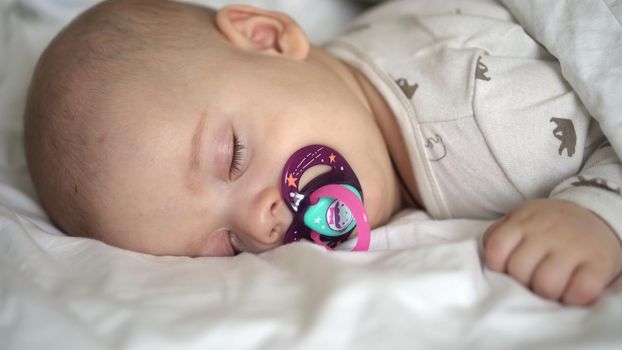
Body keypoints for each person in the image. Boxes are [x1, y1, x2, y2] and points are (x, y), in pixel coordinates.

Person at [23, 0, 622, 306]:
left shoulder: (468, 91)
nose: (262, 223)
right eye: (227, 243)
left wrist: (600, 213)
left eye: (232, 155)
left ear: (268, 38)